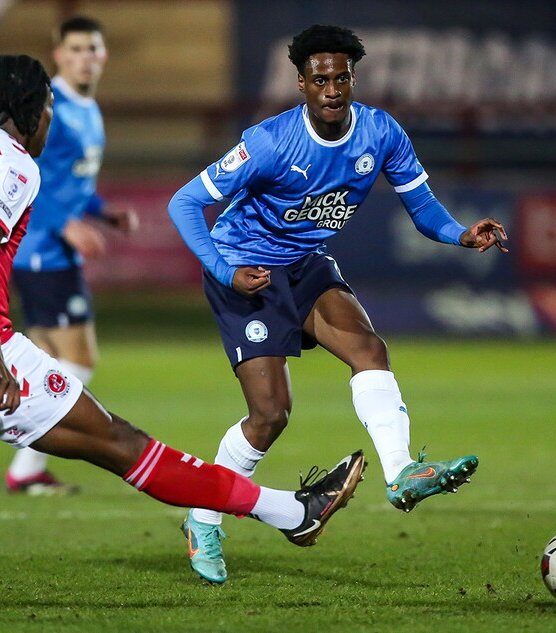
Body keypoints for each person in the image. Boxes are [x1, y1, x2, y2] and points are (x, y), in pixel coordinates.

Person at [0, 54, 364, 612]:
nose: (49, 122)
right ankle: (292, 512)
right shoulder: (12, 163)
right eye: (47, 109)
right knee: (124, 445)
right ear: (27, 110)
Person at [167, 24, 507, 584]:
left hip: (305, 263)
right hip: (246, 269)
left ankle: (401, 472)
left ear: (353, 79)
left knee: (370, 349)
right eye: (320, 80)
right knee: (270, 415)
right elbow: (184, 203)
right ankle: (203, 519)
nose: (332, 90)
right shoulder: (270, 142)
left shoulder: (380, 132)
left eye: (341, 78)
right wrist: (226, 271)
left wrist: (461, 235)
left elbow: (422, 207)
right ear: (301, 84)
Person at [7, 16, 136, 495]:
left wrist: (103, 212)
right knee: (78, 360)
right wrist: (63, 224)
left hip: (49, 252)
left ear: (103, 55)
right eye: (76, 49)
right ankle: (25, 466)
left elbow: (71, 184)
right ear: (59, 54)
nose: (85, 57)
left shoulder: (88, 108)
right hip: (42, 251)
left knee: (44, 360)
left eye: (92, 48)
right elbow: (24, 174)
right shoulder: (52, 108)